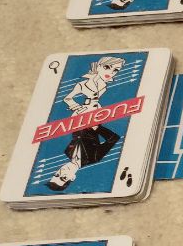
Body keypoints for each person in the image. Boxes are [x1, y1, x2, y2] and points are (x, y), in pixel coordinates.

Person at [47, 56, 125, 192]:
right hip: (93, 118)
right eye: (63, 178)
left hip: (80, 118)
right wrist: (97, 128)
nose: (61, 172)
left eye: (57, 174)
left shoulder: (67, 151)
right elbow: (113, 139)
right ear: (73, 178)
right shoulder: (94, 158)